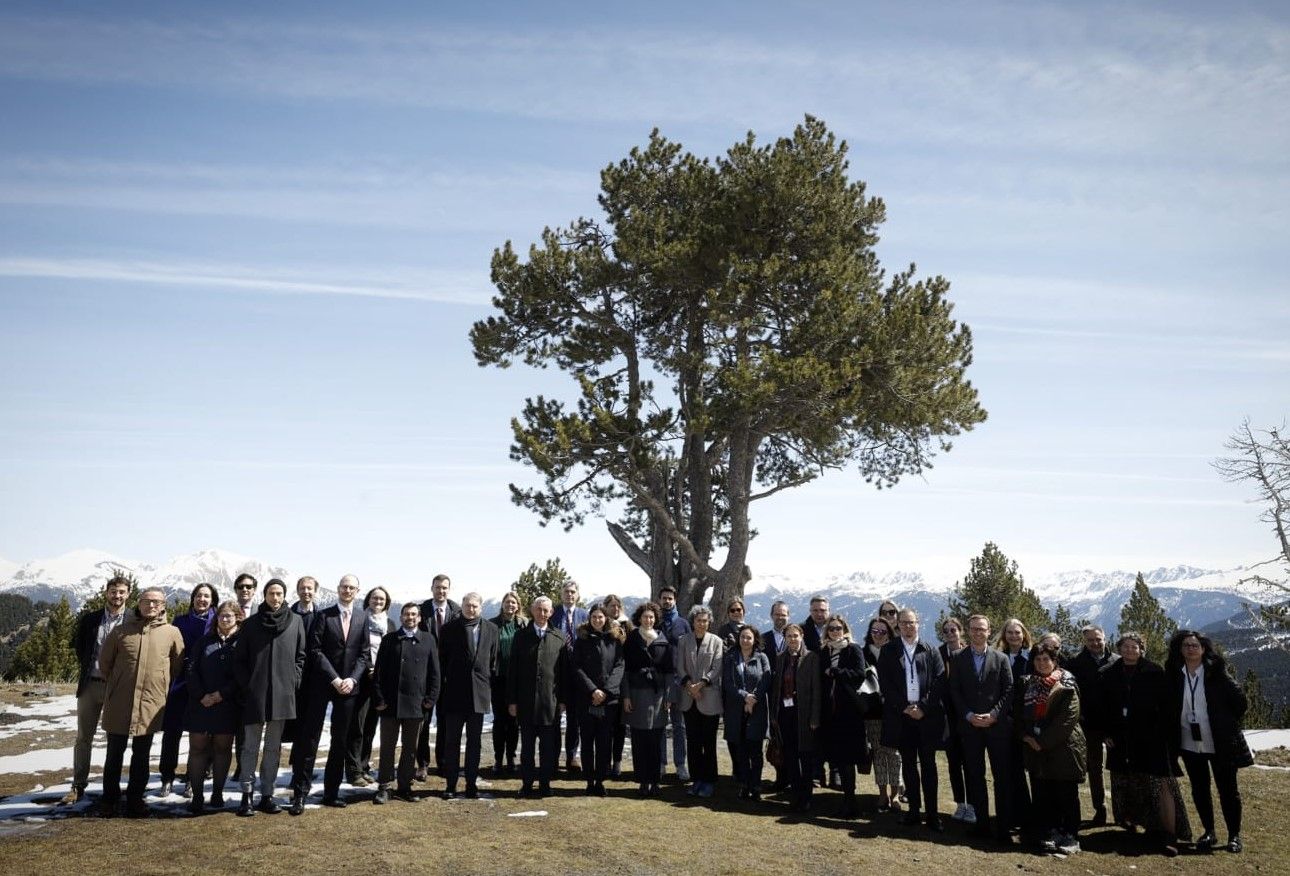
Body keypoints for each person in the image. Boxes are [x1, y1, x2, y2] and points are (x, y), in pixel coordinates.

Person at [94, 587, 185, 818]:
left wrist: (160, 685)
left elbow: (177, 666)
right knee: (114, 754)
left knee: (142, 754)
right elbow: (105, 664)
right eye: (147, 601)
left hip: (150, 704)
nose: (151, 605)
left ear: (163, 605)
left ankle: (136, 798)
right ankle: (110, 799)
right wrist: (117, 684)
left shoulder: (172, 633)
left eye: (156, 602)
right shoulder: (121, 632)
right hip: (119, 702)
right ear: (139, 603)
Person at [1099, 631, 1192, 856]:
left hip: (1153, 738)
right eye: (1125, 646)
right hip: (1120, 738)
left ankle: (1168, 833)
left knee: (1160, 785)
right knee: (1127, 781)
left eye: (1134, 647)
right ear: (1119, 648)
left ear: (1142, 649)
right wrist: (1105, 732)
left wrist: (1166, 737)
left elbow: (1167, 708)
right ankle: (1134, 823)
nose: (1130, 650)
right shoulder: (1108, 673)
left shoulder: (1154, 672)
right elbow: (1102, 706)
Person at [1164, 630, 1251, 854]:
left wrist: (1224, 722)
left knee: (1228, 790)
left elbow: (1240, 702)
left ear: (1204, 649)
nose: (1190, 649)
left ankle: (1234, 835)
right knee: (1200, 789)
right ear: (1180, 649)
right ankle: (1209, 831)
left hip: (1219, 742)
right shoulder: (1175, 673)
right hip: (1190, 742)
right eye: (1186, 645)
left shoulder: (1216, 672)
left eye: (1195, 645)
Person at [291, 574, 369, 812]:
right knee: (310, 739)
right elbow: (315, 651)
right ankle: (300, 794)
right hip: (323, 684)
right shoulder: (324, 615)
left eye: (352, 588)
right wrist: (334, 678)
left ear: (357, 591)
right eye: (344, 587)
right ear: (337, 589)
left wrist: (352, 679)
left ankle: (331, 793)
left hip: (348, 687)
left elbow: (364, 654)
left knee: (340, 740)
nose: (347, 591)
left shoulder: (362, 617)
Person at [233, 578, 306, 817]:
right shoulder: (252, 624)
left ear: (285, 596)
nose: (275, 598)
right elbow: (240, 660)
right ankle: (246, 795)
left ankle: (267, 794)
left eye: (279, 593)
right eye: (271, 593)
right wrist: (247, 686)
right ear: (264, 595)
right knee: (250, 746)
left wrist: (294, 680)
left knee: (274, 748)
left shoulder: (295, 622)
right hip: (255, 694)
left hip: (283, 695)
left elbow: (300, 656)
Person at [61, 574, 131, 805]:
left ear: (128, 594)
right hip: (90, 685)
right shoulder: (90, 619)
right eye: (113, 591)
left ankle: (111, 786)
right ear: (106, 593)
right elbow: (81, 648)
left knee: (116, 738)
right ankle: (78, 784)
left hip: (117, 688)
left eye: (121, 592)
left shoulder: (133, 619)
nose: (117, 596)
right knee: (84, 737)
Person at [1013, 642, 1087, 855]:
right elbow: (1017, 714)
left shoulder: (1067, 684)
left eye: (1047, 659)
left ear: (1055, 661)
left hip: (1064, 749)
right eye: (1038, 659)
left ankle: (1071, 835)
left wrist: (1042, 742)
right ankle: (1049, 832)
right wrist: (1026, 736)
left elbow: (1067, 719)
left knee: (1066, 794)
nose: (1042, 663)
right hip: (1035, 750)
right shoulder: (1027, 683)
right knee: (1043, 794)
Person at [949, 614, 1015, 843]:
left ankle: (1004, 827)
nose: (978, 632)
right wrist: (968, 715)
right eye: (974, 629)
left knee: (1002, 778)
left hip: (996, 727)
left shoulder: (1001, 658)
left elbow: (1009, 690)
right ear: (968, 631)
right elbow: (954, 691)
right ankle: (982, 825)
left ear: (989, 631)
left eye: (982, 629)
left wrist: (995, 714)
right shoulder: (957, 658)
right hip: (970, 727)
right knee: (975, 777)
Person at [878, 608, 945, 830]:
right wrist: (905, 707)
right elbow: (885, 683)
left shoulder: (931, 650)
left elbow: (939, 682)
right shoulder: (889, 650)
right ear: (898, 626)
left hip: (926, 718)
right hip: (902, 717)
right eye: (904, 623)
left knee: (928, 766)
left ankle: (933, 814)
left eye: (912, 622)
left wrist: (923, 707)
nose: (908, 626)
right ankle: (914, 811)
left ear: (919, 623)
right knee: (908, 765)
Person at [372, 603, 440, 804]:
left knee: (411, 748)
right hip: (390, 704)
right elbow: (378, 674)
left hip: (416, 704)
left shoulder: (428, 639)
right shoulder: (389, 639)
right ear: (401, 617)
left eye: (413, 614)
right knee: (387, 747)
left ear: (419, 618)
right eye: (406, 614)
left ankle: (404, 786)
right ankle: (384, 786)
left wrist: (430, 700)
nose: (410, 617)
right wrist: (379, 700)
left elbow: (435, 674)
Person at [157, 582, 217, 797]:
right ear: (192, 598)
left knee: (200, 734)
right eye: (199, 595)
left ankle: (194, 777)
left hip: (206, 682)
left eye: (207, 596)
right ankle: (167, 776)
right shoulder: (180, 621)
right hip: (180, 682)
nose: (202, 600)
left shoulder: (217, 620)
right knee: (172, 732)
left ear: (212, 600)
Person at [437, 591, 499, 799]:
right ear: (461, 606)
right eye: (467, 605)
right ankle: (451, 785)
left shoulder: (492, 629)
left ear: (480, 608)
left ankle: (471, 783)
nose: (470, 609)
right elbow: (441, 662)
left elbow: (493, 661)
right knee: (452, 742)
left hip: (479, 694)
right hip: (454, 694)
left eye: (474, 606)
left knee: (475, 742)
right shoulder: (448, 629)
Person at [507, 596, 566, 798]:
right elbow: (512, 671)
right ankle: (527, 783)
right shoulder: (521, 636)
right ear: (532, 611)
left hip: (550, 702)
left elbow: (563, 673)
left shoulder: (559, 637)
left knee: (548, 748)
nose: (542, 613)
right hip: (526, 701)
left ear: (551, 613)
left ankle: (545, 784)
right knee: (528, 748)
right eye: (539, 609)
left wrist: (563, 701)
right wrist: (512, 700)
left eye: (546, 610)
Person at [185, 599, 241, 814]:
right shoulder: (204, 642)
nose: (225, 619)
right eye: (221, 615)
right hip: (200, 704)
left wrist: (220, 695)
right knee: (197, 749)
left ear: (237, 617)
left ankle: (217, 792)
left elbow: (243, 675)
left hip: (227, 705)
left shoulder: (242, 643)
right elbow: (191, 670)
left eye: (229, 615)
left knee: (222, 749)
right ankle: (197, 796)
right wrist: (202, 695)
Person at [571, 602, 625, 796]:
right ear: (589, 619)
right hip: (586, 700)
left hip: (608, 701)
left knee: (604, 742)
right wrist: (593, 690)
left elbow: (619, 666)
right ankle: (589, 780)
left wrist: (606, 692)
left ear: (606, 619)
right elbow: (576, 667)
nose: (597, 620)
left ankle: (601, 780)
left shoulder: (614, 639)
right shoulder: (582, 640)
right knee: (587, 741)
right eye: (594, 617)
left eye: (600, 617)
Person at [345, 586, 395, 786]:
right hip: (361, 679)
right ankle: (353, 770)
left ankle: (364, 766)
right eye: (375, 598)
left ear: (387, 602)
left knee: (370, 727)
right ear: (368, 600)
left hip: (380, 683)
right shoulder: (359, 619)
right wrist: (367, 667)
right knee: (356, 726)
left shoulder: (390, 624)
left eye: (382, 599)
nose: (378, 602)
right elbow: (355, 649)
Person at [1067, 623, 1117, 826]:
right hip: (1089, 725)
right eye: (1090, 640)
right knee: (1094, 769)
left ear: (1104, 638)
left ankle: (1126, 813)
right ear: (1084, 641)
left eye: (1098, 639)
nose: (1095, 643)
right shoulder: (1076, 663)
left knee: (1120, 770)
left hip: (1115, 725)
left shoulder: (1117, 661)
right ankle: (1100, 809)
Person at [623, 600, 672, 796]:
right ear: (639, 618)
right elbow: (625, 671)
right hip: (636, 694)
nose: (648, 620)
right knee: (639, 740)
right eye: (645, 616)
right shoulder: (631, 640)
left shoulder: (663, 641)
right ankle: (642, 781)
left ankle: (655, 780)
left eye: (651, 617)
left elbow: (669, 672)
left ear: (656, 619)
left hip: (658, 696)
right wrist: (626, 696)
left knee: (656, 739)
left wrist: (669, 696)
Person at [818, 614, 866, 817]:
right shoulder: (824, 651)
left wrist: (836, 672)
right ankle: (845, 800)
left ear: (845, 629)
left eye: (839, 628)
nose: (835, 631)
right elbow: (821, 675)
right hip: (830, 712)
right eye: (831, 628)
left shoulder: (853, 648)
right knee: (837, 757)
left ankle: (850, 800)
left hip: (850, 712)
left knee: (848, 759)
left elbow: (860, 674)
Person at [994, 617, 1035, 839]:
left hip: (1027, 721)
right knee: (1008, 770)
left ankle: (1028, 815)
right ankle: (1011, 814)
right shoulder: (999, 658)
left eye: (1017, 633)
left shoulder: (1032, 657)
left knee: (1026, 770)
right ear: (1004, 636)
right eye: (1009, 633)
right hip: (1004, 722)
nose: (1013, 636)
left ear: (1024, 634)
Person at [416, 573, 460, 779]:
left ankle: (443, 762)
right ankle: (422, 764)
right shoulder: (421, 610)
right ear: (431, 588)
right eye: (437, 587)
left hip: (449, 676)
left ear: (448, 590)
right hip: (424, 674)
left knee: (445, 721)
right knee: (422, 721)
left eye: (444, 588)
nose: (441, 591)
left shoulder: (457, 611)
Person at [677, 604, 724, 798]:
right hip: (689, 699)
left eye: (705, 620)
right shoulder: (683, 641)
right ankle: (696, 779)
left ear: (709, 622)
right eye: (698, 620)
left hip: (709, 697)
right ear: (693, 621)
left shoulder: (716, 641)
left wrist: (702, 684)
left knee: (709, 742)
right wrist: (690, 686)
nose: (702, 624)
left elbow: (717, 666)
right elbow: (679, 666)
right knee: (694, 742)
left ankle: (709, 781)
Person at [770, 624, 818, 812]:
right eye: (789, 636)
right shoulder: (781, 658)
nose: (792, 639)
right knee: (790, 756)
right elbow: (776, 688)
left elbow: (816, 690)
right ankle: (796, 794)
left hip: (804, 714)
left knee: (805, 756)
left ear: (802, 636)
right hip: (785, 713)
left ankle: (806, 797)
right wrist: (774, 715)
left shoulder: (811, 658)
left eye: (795, 635)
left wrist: (815, 718)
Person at [723, 624, 772, 800]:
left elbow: (766, 680)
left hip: (757, 710)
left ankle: (756, 786)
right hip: (736, 710)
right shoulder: (730, 657)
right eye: (743, 637)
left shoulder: (762, 657)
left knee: (756, 752)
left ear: (754, 639)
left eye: (749, 637)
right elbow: (728, 683)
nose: (745, 640)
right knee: (741, 751)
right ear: (738, 638)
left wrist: (753, 699)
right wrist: (745, 697)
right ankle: (744, 785)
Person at [862, 617, 902, 813]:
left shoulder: (897, 651)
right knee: (878, 752)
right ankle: (882, 794)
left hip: (894, 710)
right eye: (874, 631)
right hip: (873, 711)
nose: (878, 635)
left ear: (889, 633)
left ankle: (895, 794)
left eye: (882, 632)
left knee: (894, 753)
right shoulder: (863, 653)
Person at [551, 581, 589, 771]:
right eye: (566, 591)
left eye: (573, 592)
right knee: (555, 716)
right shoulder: (553, 613)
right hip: (557, 669)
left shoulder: (584, 615)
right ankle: (554, 756)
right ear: (561, 593)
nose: (570, 595)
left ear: (578, 594)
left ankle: (572, 756)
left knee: (574, 718)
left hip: (577, 671)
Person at [938, 616, 972, 824]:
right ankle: (960, 802)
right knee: (953, 764)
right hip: (947, 719)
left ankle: (974, 804)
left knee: (971, 763)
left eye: (954, 630)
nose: (951, 634)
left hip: (967, 717)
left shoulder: (969, 654)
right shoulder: (938, 654)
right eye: (946, 631)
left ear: (961, 632)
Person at [489, 591, 527, 774]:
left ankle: (511, 757)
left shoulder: (524, 624)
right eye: (507, 602)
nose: (510, 605)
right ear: (502, 604)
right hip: (498, 678)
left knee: (513, 721)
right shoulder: (492, 624)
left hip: (518, 680)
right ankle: (498, 758)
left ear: (518, 605)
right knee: (499, 720)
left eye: (513, 602)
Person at [656, 585, 691, 783]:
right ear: (660, 600)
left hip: (679, 682)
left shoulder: (683, 624)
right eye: (664, 598)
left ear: (675, 600)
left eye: (670, 598)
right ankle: (661, 763)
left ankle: (680, 765)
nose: (667, 601)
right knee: (660, 724)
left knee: (679, 726)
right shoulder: (656, 623)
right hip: (660, 682)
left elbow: (688, 653)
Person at [283, 575, 320, 750]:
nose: (306, 591)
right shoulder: (287, 615)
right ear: (297, 591)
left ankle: (299, 764)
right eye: (302, 588)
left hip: (312, 677)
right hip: (289, 676)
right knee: (285, 723)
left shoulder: (321, 616)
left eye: (309, 588)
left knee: (307, 723)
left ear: (315, 591)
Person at [601, 593, 632, 777]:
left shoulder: (627, 626)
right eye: (611, 606)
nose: (615, 609)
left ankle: (617, 762)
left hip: (622, 681)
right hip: (603, 682)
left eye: (617, 606)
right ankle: (604, 762)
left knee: (619, 726)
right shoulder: (600, 625)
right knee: (605, 726)